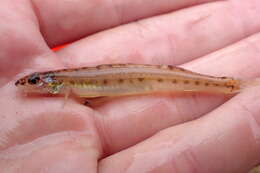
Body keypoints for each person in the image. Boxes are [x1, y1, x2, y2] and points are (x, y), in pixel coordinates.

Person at [1, 0, 260, 172]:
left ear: (52, 83)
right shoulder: (64, 84)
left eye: (34, 81)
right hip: (139, 78)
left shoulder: (65, 84)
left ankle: (230, 85)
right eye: (33, 81)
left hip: (149, 78)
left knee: (184, 82)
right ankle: (230, 86)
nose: (29, 85)